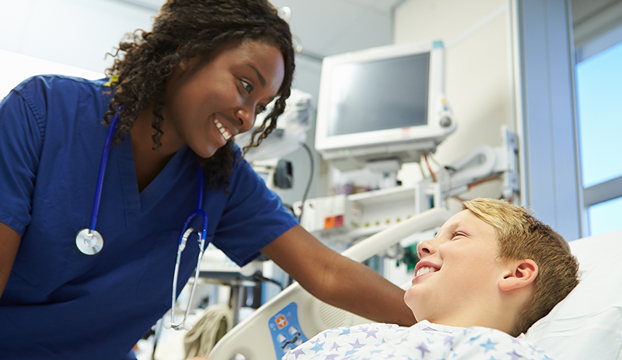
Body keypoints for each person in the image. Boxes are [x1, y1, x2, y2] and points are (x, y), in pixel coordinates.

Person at [0, 1, 415, 359]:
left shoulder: (220, 178)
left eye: (260, 105)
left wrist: (446, 318)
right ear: (188, 52)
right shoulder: (43, 113)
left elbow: (326, 272)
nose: (248, 118)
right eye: (244, 84)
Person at [282, 198, 580, 360]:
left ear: (516, 273)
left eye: (458, 235)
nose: (423, 245)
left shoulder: (497, 351)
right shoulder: (360, 337)